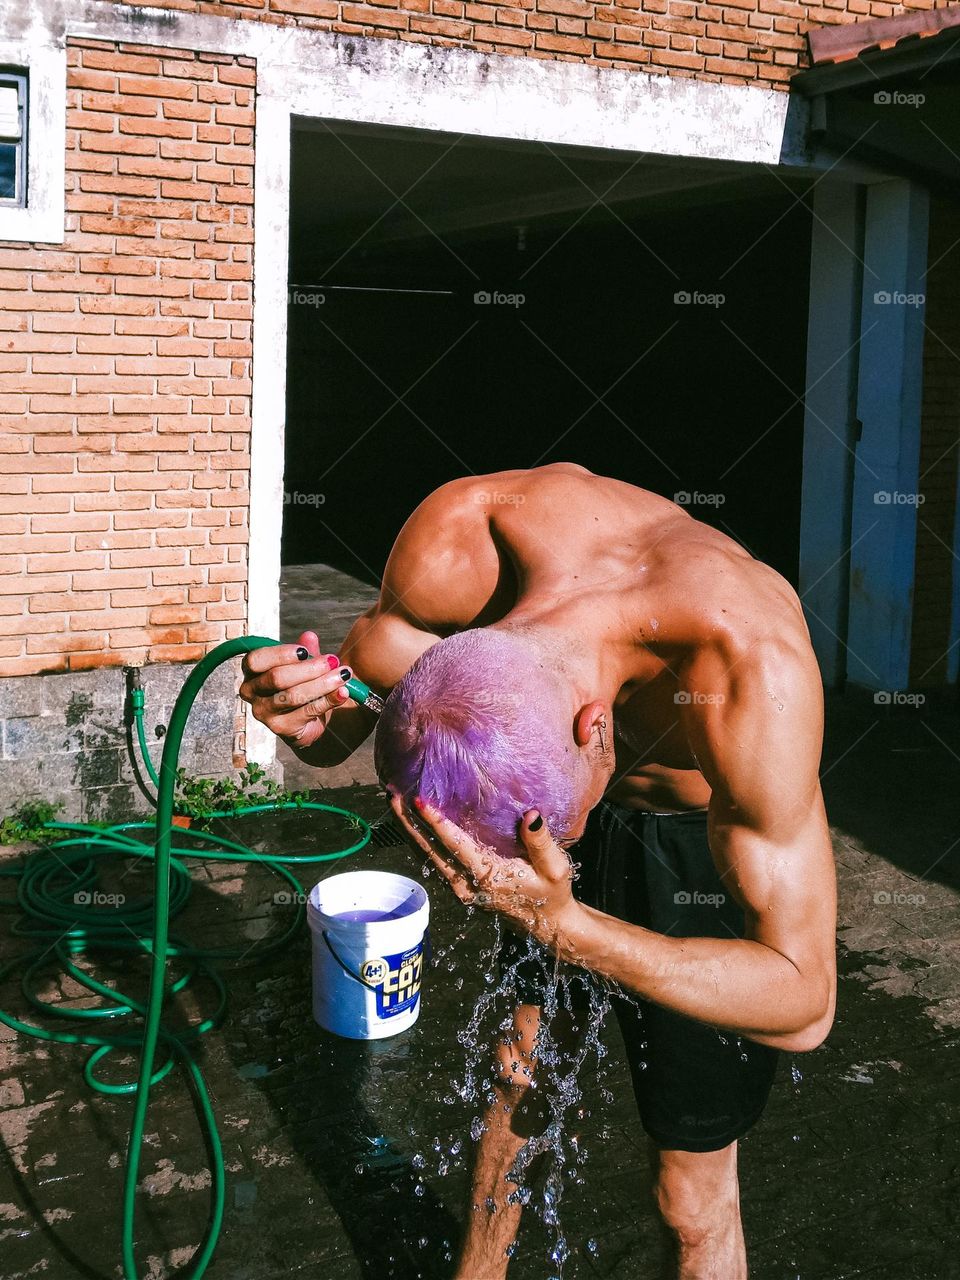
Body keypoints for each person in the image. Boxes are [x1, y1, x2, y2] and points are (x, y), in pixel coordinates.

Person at [240, 463, 837, 1280]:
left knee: (689, 1195)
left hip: (695, 837)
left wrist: (568, 922)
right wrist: (308, 709)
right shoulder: (464, 536)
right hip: (543, 770)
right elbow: (354, 714)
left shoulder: (751, 669)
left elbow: (804, 1001)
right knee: (518, 1078)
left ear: (600, 732)